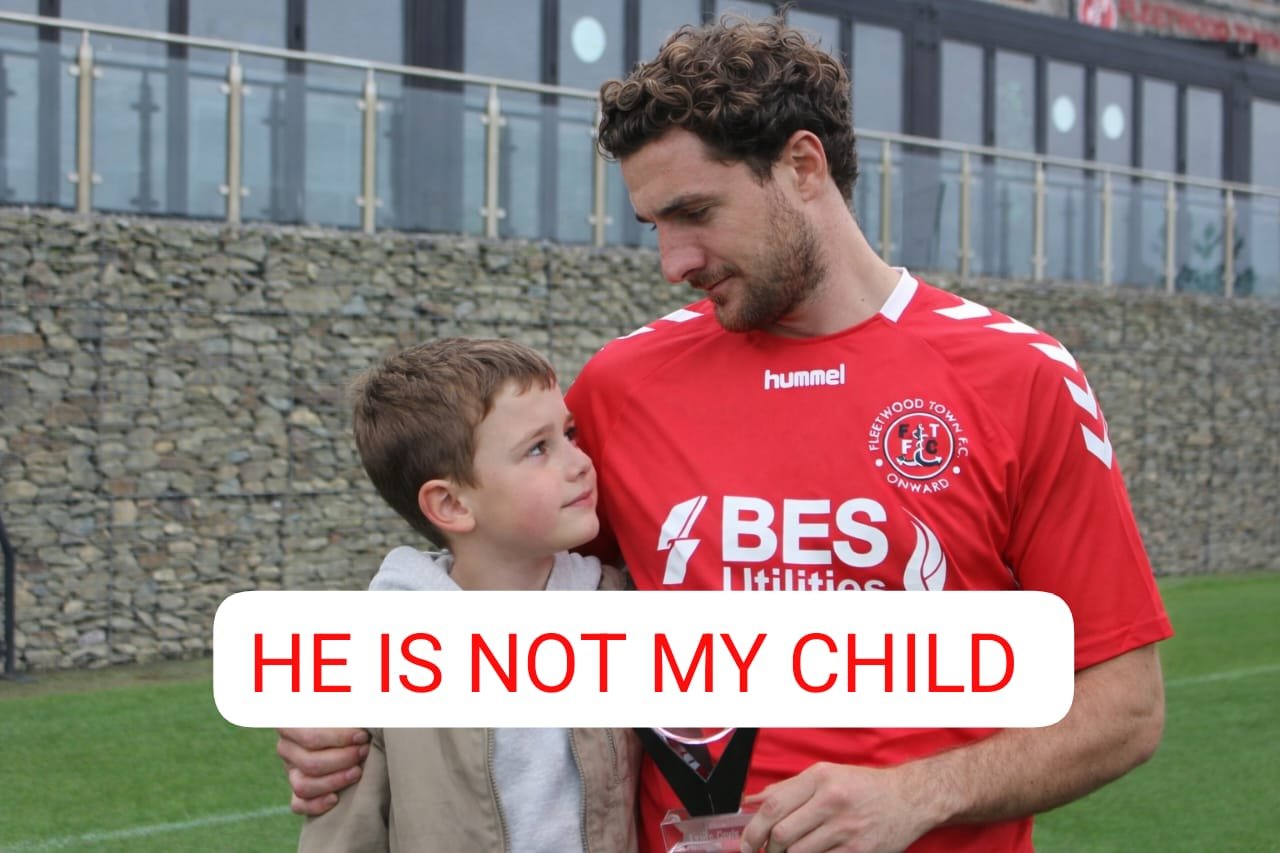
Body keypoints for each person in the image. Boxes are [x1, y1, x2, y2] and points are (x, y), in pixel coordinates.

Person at [278, 16, 1172, 853]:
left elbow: (1125, 709)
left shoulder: (1018, 377)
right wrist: (352, 703)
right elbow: (504, 584)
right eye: (655, 226)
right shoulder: (623, 386)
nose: (673, 262)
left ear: (803, 166)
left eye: (695, 213)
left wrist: (918, 792)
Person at [295, 338, 639, 852]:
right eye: (538, 448)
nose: (581, 462)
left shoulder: (622, 612)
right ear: (452, 504)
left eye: (569, 434)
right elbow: (344, 835)